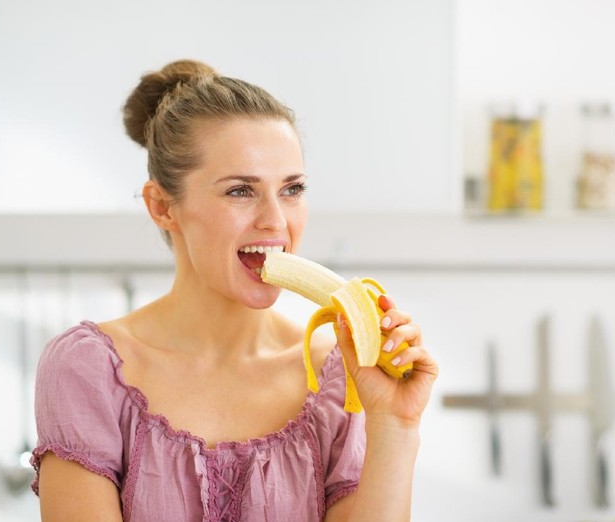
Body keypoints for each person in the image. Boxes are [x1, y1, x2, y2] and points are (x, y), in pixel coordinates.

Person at [31, 59, 438, 521]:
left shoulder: (337, 376)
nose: (276, 221)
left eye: (292, 189)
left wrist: (396, 426)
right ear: (162, 207)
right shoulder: (89, 369)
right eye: (240, 191)